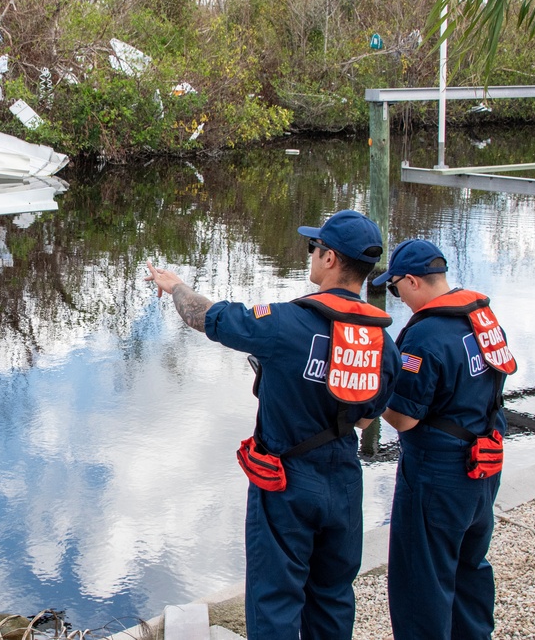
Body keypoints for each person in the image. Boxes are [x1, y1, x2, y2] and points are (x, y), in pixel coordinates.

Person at [145, 209, 400, 640]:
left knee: (274, 599)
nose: (312, 254)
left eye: (314, 247)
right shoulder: (384, 345)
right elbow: (363, 419)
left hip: (287, 484)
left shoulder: (285, 323)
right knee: (333, 596)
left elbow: (202, 316)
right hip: (343, 479)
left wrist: (175, 285)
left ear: (331, 259)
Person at [373, 239, 516, 640]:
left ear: (413, 281)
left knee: (422, 582)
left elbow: (402, 419)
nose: (396, 295)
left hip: (439, 474)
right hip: (483, 464)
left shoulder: (424, 336)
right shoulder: (482, 318)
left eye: (395, 286)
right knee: (470, 569)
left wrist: (375, 392)